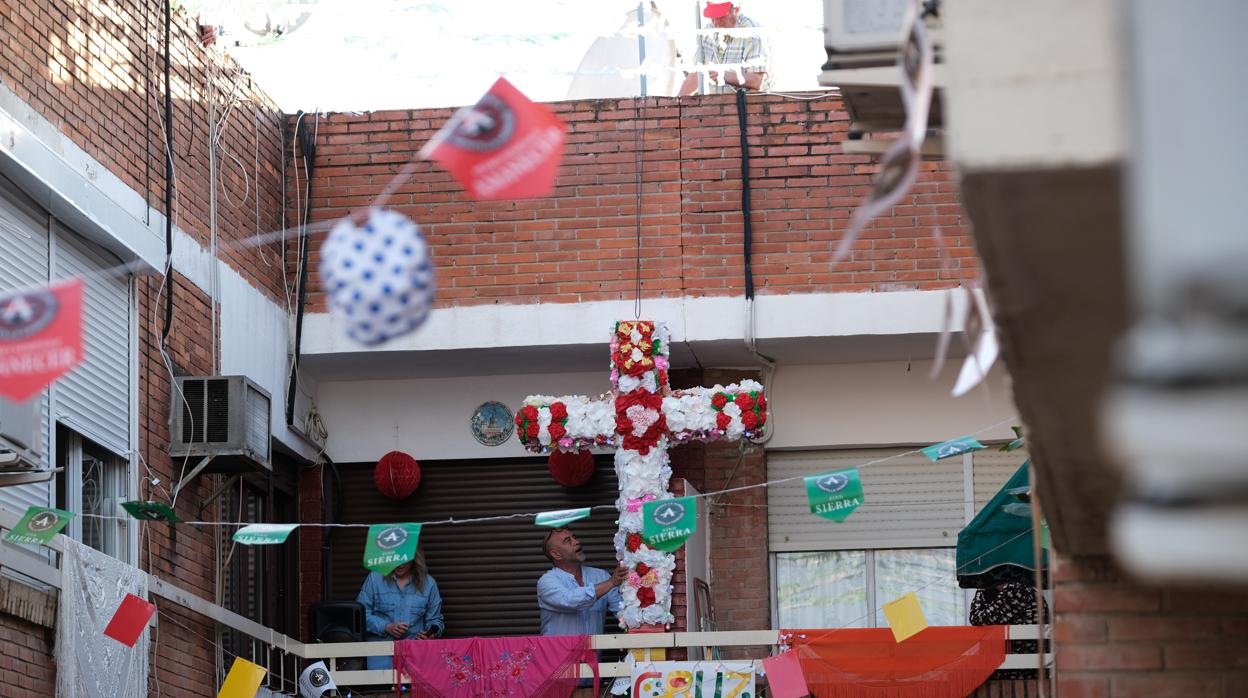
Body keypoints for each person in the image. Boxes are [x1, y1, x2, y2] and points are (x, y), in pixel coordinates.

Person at [356, 546, 445, 671]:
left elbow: (435, 620)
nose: (399, 564)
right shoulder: (374, 578)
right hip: (380, 659)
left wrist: (431, 634)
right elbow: (359, 615)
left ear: (414, 557)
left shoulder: (429, 584)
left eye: (404, 559)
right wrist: (386, 627)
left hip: (416, 659)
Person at [536, 527, 628, 636]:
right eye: (568, 541)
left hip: (593, 648)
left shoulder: (601, 576)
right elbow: (570, 600)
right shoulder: (547, 581)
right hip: (559, 648)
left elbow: (621, 611)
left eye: (574, 537)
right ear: (556, 554)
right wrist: (611, 582)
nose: (577, 542)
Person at [679, 2, 771, 96]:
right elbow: (696, 75)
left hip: (752, 104)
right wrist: (678, 101)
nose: (715, 22)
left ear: (736, 10)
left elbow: (756, 81)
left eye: (720, 16)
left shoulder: (753, 31)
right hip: (719, 104)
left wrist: (723, 75)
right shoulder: (708, 31)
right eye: (712, 17)